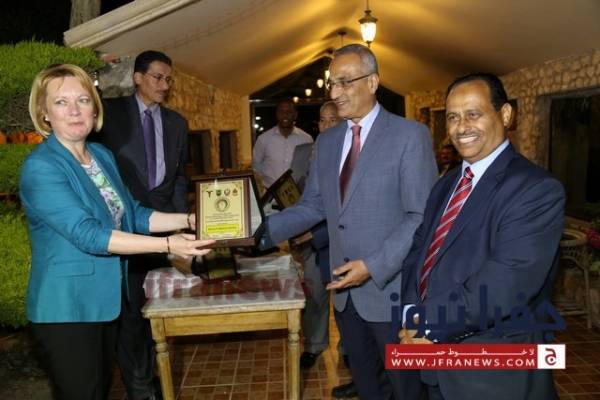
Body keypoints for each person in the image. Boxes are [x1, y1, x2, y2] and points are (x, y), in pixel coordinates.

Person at [20, 64, 213, 400]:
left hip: (105, 301)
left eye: (83, 100)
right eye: (61, 102)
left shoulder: (100, 155)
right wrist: (168, 245)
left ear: (94, 108)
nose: (75, 110)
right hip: (67, 310)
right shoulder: (41, 167)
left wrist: (187, 219)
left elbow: (132, 214)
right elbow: (90, 235)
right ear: (44, 113)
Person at [262, 44, 437, 399]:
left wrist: (372, 266)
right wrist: (258, 231)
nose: (335, 93)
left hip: (391, 292)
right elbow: (314, 205)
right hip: (344, 296)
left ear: (373, 82)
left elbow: (420, 216)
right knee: (369, 387)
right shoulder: (327, 142)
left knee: (407, 388)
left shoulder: (410, 136)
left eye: (345, 82)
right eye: (332, 83)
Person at [400, 73, 565, 399]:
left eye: (473, 114)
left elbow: (506, 283)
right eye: (453, 117)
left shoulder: (535, 189)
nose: (461, 127)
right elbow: (418, 254)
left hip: (492, 371)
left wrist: (429, 323)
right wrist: (411, 315)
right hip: (432, 360)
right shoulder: (446, 184)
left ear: (505, 115)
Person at [99, 50, 189, 400]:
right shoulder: (110, 115)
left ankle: (153, 373)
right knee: (132, 312)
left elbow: (179, 177)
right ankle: (140, 385)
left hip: (165, 225)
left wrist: (180, 222)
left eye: (168, 79)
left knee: (160, 306)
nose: (164, 85)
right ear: (137, 78)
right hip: (125, 228)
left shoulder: (178, 123)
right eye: (158, 77)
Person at [252, 99, 313, 188]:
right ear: (276, 114)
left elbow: (310, 168)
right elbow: (256, 167)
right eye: (281, 111)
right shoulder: (263, 139)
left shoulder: (306, 139)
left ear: (295, 115)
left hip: (298, 193)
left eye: (289, 112)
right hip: (270, 193)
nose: (285, 114)